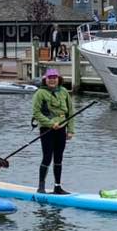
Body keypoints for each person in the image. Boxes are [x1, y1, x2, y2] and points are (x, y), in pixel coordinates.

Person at [32, 67, 75, 195]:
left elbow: (70, 112)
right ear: (46, 80)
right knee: (47, 157)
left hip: (61, 130)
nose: (52, 81)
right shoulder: (40, 93)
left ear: (58, 79)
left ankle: (57, 187)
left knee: (58, 158)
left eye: (54, 78)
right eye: (50, 78)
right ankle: (41, 187)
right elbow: (36, 113)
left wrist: (70, 130)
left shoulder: (64, 92)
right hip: (47, 129)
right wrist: (51, 124)